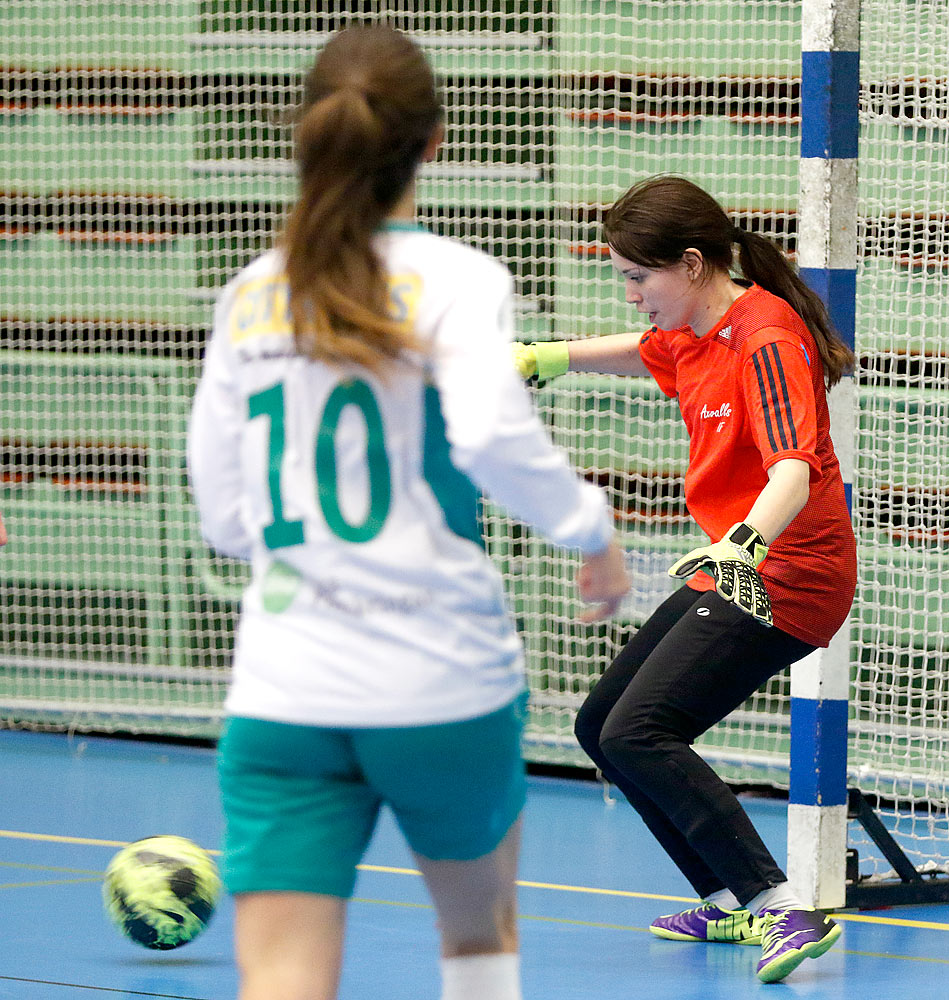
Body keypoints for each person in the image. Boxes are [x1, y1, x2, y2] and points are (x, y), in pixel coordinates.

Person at [187, 24, 629, 1000]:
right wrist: (591, 530)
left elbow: (223, 515)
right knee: (478, 944)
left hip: (285, 690)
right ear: (433, 141)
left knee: (284, 982)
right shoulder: (462, 280)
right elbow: (490, 438)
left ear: (309, 135)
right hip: (441, 681)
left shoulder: (248, 297)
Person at [512, 175, 857, 984]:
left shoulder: (764, 336)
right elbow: (647, 353)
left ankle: (779, 907)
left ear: (693, 264)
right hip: (738, 565)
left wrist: (741, 545)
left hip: (790, 571)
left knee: (642, 731)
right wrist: (549, 357)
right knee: (601, 727)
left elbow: (794, 473)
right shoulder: (698, 330)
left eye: (640, 278)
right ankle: (727, 900)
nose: (631, 295)